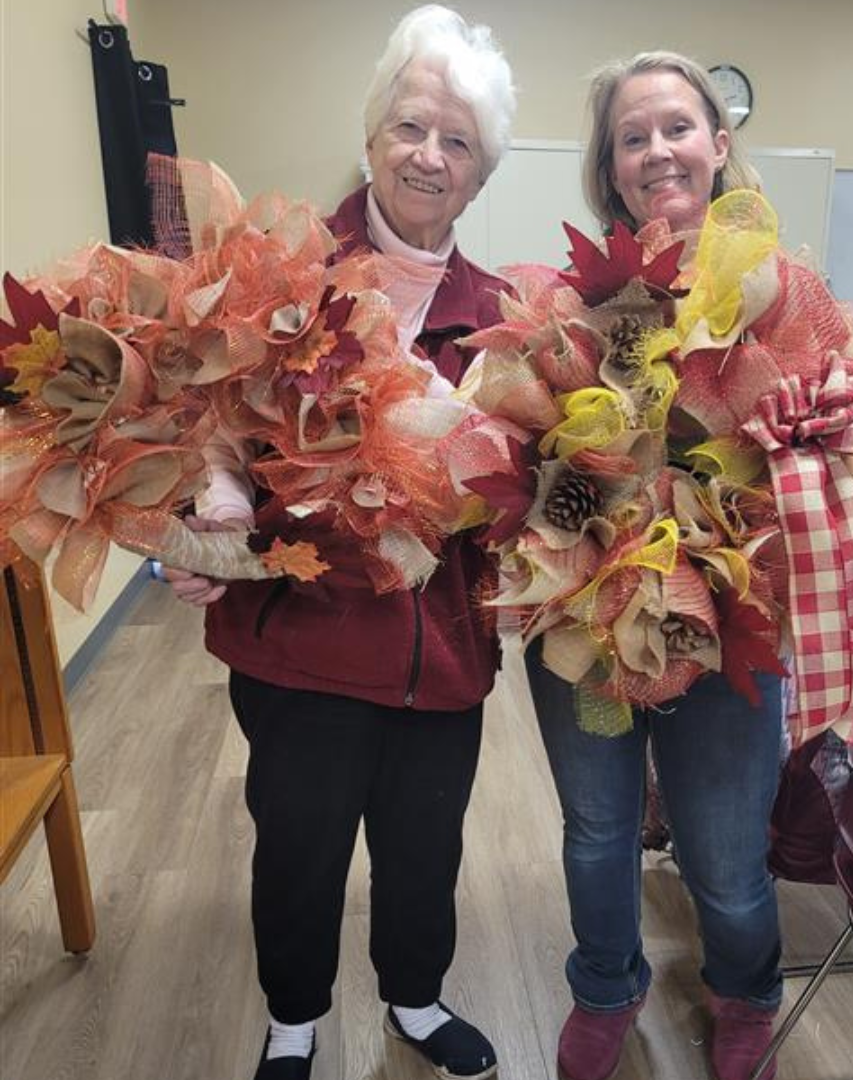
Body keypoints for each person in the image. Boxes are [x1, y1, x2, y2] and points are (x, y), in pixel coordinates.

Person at [163, 8, 515, 1079]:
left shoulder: (502, 318)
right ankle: (294, 1020)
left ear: (481, 173)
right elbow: (209, 428)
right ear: (371, 139)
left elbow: (520, 491)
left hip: (440, 655)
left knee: (425, 849)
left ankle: (414, 998)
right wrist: (209, 511)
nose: (431, 156)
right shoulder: (287, 279)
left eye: (459, 142)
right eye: (413, 127)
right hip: (304, 643)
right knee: (301, 849)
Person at [525, 52, 784, 1080]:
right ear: (610, 169)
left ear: (719, 146)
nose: (656, 150)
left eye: (677, 127)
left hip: (725, 628)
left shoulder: (777, 293)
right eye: (632, 137)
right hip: (591, 631)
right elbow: (537, 478)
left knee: (724, 859)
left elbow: (807, 465)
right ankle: (606, 984)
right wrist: (587, 490)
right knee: (596, 828)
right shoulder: (579, 302)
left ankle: (745, 990)